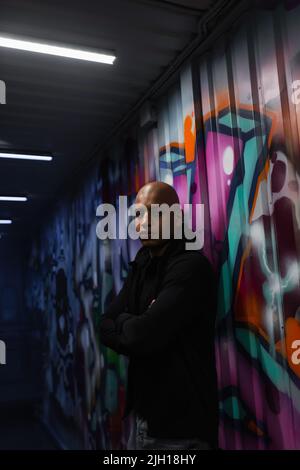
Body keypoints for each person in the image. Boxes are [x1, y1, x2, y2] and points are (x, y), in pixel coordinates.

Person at [99, 181, 219, 450]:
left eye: (155, 212)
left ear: (175, 217)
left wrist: (128, 324)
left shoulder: (190, 268)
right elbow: (105, 323)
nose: (144, 223)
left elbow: (142, 337)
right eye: (139, 215)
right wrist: (132, 324)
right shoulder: (142, 265)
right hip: (142, 421)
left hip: (182, 433)